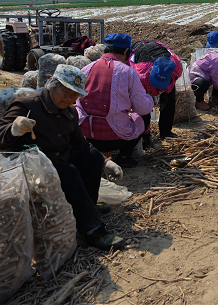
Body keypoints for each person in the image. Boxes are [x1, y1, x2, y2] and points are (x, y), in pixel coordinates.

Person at [0, 64, 125, 251]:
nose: (69, 98)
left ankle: (87, 207)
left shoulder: (69, 112)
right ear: (51, 84)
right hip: (32, 170)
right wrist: (13, 129)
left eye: (74, 94)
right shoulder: (27, 105)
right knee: (68, 171)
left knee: (91, 157)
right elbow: (1, 136)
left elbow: (80, 144)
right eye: (65, 91)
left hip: (60, 165)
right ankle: (92, 229)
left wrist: (106, 162)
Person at [76, 33, 154, 168]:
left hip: (86, 137)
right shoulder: (128, 72)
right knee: (145, 115)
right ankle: (123, 157)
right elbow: (142, 108)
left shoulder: (86, 69)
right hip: (114, 139)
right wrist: (149, 99)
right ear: (126, 51)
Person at [129, 40, 183, 148]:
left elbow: (172, 82)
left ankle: (166, 131)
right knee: (144, 106)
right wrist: (146, 132)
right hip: (140, 50)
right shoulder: (140, 73)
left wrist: (165, 93)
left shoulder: (176, 67)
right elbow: (140, 105)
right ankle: (144, 135)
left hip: (159, 51)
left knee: (170, 98)